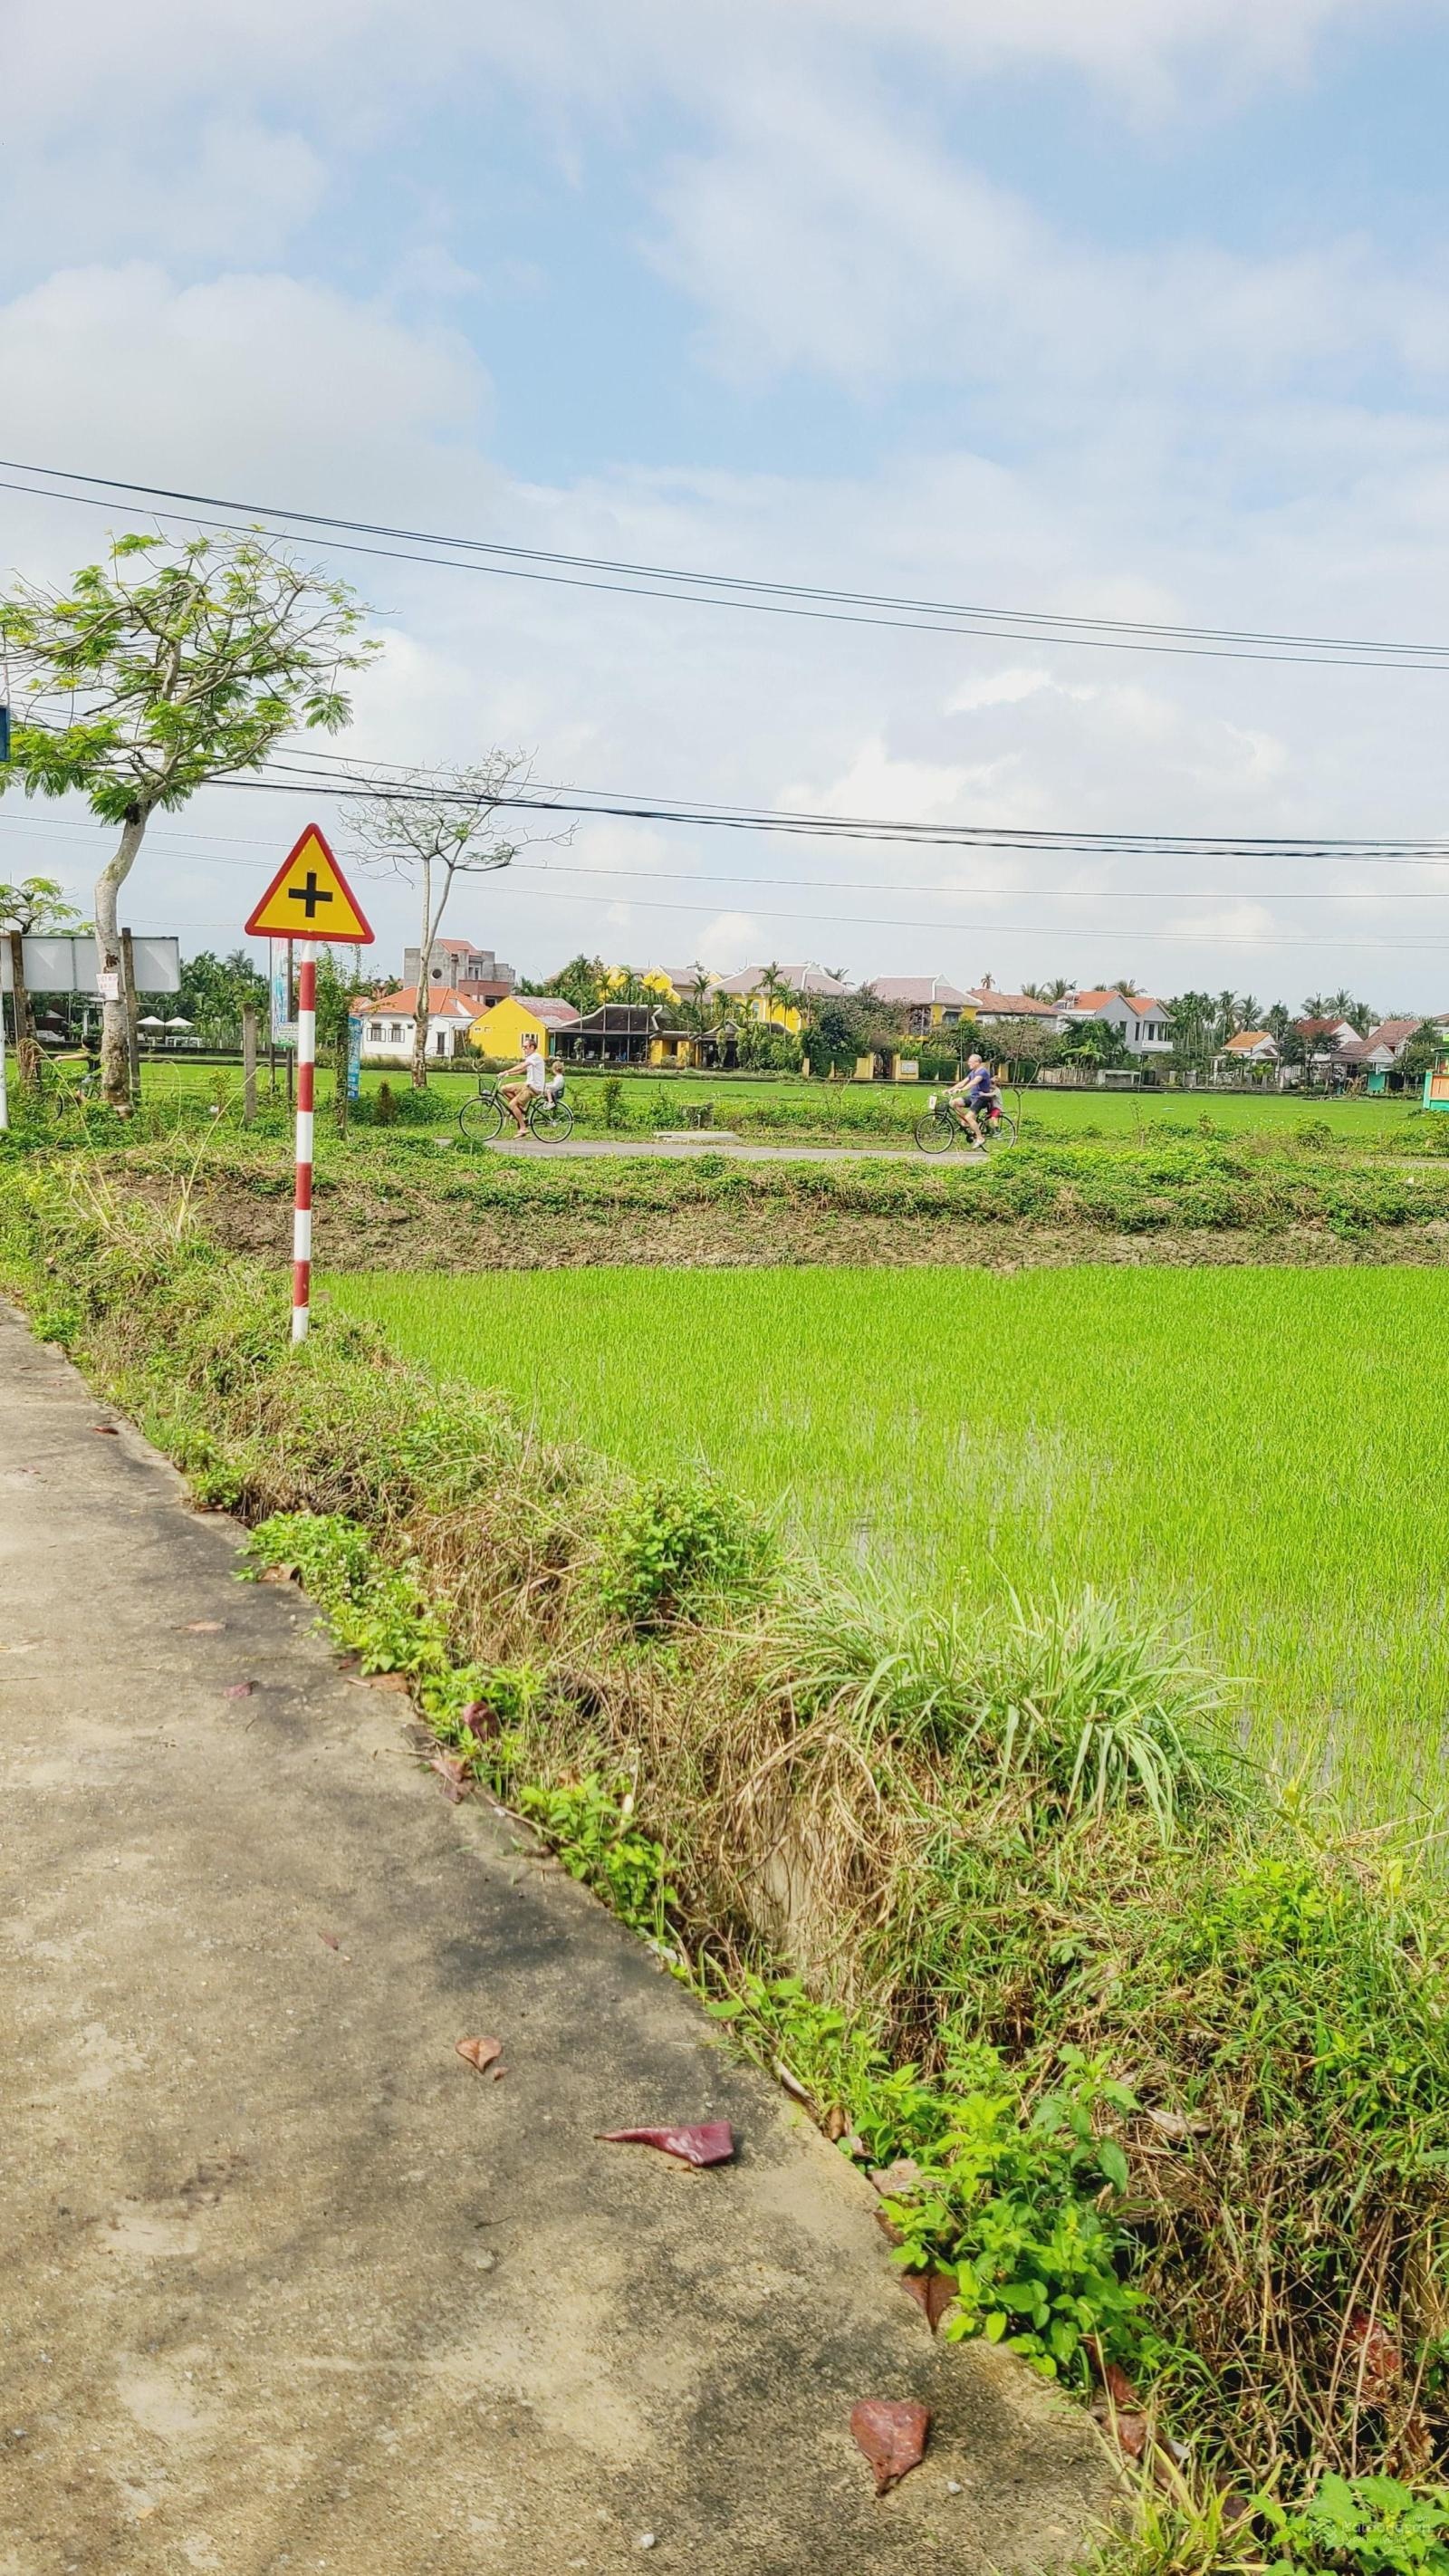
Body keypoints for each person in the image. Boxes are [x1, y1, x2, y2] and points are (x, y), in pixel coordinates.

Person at [502, 1030, 551, 1133]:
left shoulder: (536, 1057)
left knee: (512, 1105)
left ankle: (523, 1127)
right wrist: (508, 1074)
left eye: (526, 1047)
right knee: (504, 1089)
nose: (524, 1049)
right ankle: (521, 1108)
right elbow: (521, 1070)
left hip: (533, 1088)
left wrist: (506, 1070)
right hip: (527, 1084)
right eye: (523, 1047)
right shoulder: (530, 1058)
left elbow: (521, 1066)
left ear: (532, 1047)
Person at [947, 1051, 999, 1145]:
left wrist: (961, 1090)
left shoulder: (982, 1071)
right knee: (953, 1103)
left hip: (982, 1098)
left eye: (970, 1061)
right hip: (973, 1097)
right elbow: (963, 1082)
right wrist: (950, 1090)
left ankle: (980, 1138)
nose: (968, 1063)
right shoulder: (973, 1072)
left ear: (977, 1062)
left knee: (969, 1117)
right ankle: (966, 1121)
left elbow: (974, 1082)